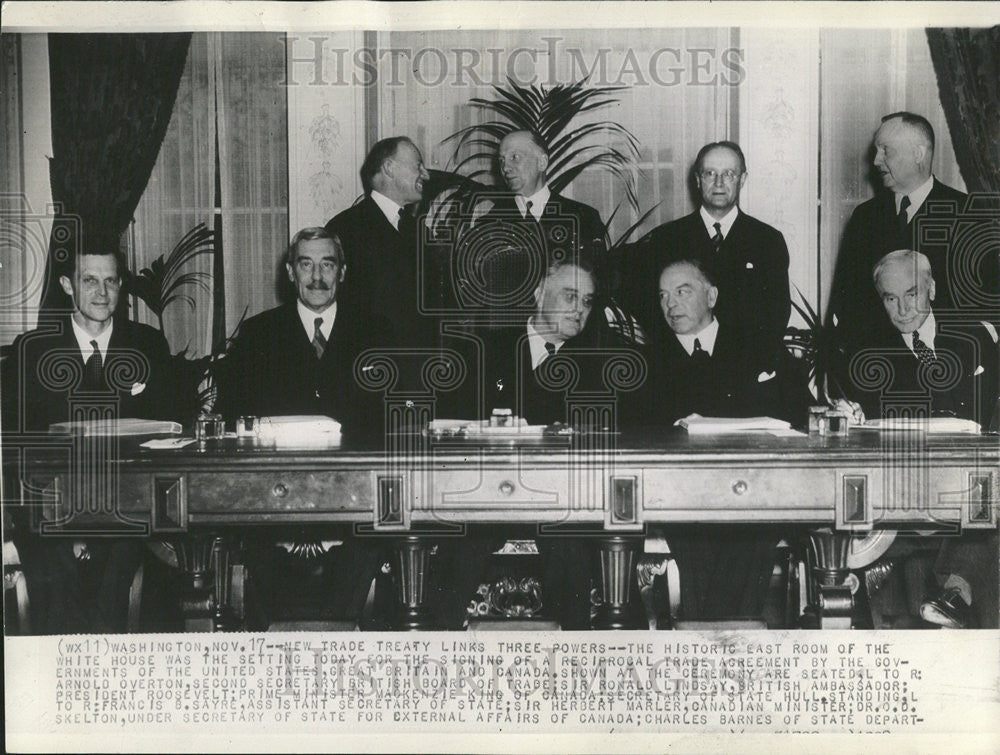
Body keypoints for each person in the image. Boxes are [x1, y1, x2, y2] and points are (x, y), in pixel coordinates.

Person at [436, 258, 638, 630]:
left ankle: (573, 664)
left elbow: (616, 436)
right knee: (458, 549)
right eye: (570, 296)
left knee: (572, 544)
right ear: (538, 293)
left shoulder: (603, 360)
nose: (579, 310)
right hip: (484, 496)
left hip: (565, 500)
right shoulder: (481, 350)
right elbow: (452, 427)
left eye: (588, 301)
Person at [215, 227, 390, 626]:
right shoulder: (259, 335)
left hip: (354, 497)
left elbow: (391, 418)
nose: (317, 276)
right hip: (274, 497)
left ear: (342, 272)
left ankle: (330, 644)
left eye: (327, 264)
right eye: (306, 264)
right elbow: (232, 418)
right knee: (255, 556)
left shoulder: (376, 332)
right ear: (290, 272)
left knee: (369, 547)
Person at [1, 247, 179, 633]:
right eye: (89, 280)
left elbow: (175, 428)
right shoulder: (33, 351)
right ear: (67, 285)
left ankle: (100, 665)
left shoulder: (148, 345)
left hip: (130, 507)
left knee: (119, 562)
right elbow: (13, 444)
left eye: (111, 281)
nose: (102, 292)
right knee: (56, 570)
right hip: (52, 508)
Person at [641, 258, 808, 622]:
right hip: (682, 493)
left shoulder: (758, 344)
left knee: (750, 530)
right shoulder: (646, 362)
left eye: (683, 291)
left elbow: (799, 412)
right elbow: (638, 431)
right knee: (697, 533)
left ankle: (707, 635)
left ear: (712, 295)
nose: (671, 304)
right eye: (663, 296)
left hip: (757, 487)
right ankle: (726, 639)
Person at [840, 249, 999, 628]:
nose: (902, 309)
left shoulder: (978, 336)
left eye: (911, 293)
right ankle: (953, 597)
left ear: (932, 288)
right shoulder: (869, 358)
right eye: (890, 298)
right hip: (912, 489)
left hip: (978, 483)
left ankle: (956, 595)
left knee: (987, 500)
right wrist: (852, 418)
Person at [828, 111, 997, 354]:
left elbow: (987, 306)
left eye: (886, 150)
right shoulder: (865, 217)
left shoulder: (968, 215)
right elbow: (845, 302)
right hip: (878, 369)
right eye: (877, 151)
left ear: (918, 153)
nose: (876, 161)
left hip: (946, 370)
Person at [639, 141, 791, 367]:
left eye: (729, 174)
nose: (719, 182)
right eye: (710, 173)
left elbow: (776, 314)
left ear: (743, 179)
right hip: (681, 367)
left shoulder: (767, 240)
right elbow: (651, 309)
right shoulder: (667, 238)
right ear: (698, 180)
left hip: (746, 369)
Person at [469, 130, 606, 312]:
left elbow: (598, 287)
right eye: (502, 161)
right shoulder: (488, 225)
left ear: (542, 162)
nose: (506, 168)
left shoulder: (583, 217)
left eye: (515, 157)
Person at [324, 136, 433, 347]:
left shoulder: (420, 230)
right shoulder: (345, 228)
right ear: (390, 168)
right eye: (418, 165)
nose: (426, 174)